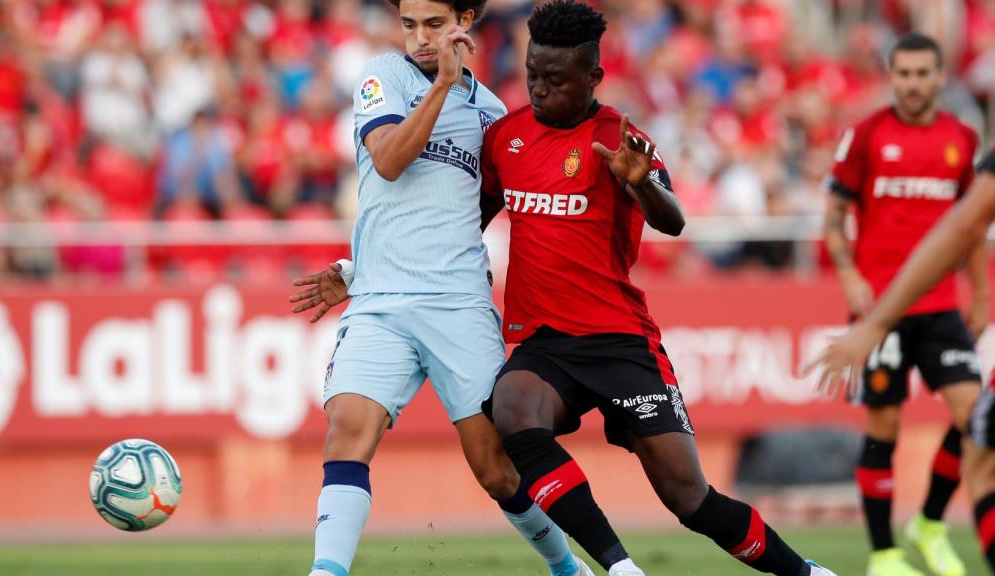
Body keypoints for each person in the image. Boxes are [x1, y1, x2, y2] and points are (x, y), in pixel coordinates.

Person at [295, 3, 836, 576]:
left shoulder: (612, 137)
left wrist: (641, 187)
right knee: (503, 411)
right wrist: (360, 268)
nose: (541, 88)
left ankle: (801, 571)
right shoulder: (499, 132)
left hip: (617, 339)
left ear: (592, 78)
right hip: (540, 342)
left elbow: (674, 220)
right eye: (533, 75)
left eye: (555, 79)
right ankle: (613, 567)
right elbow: (436, 208)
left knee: (685, 497)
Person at [291, 1, 587, 576]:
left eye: (433, 24)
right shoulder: (383, 76)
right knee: (348, 429)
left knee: (497, 469)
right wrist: (360, 273)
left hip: (459, 304)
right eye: (409, 25)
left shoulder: (493, 116)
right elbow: (390, 162)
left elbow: (467, 217)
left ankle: (567, 568)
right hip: (380, 305)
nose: (420, 39)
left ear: (467, 20)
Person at [822, 32, 986, 576]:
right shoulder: (866, 137)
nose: (913, 84)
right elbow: (833, 216)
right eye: (904, 74)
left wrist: (982, 291)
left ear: (940, 78)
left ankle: (931, 523)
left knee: (975, 416)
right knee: (884, 427)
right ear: (892, 77)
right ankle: (884, 554)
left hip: (941, 306)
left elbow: (972, 226)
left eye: (923, 74)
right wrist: (848, 277)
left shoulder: (963, 140)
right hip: (880, 310)